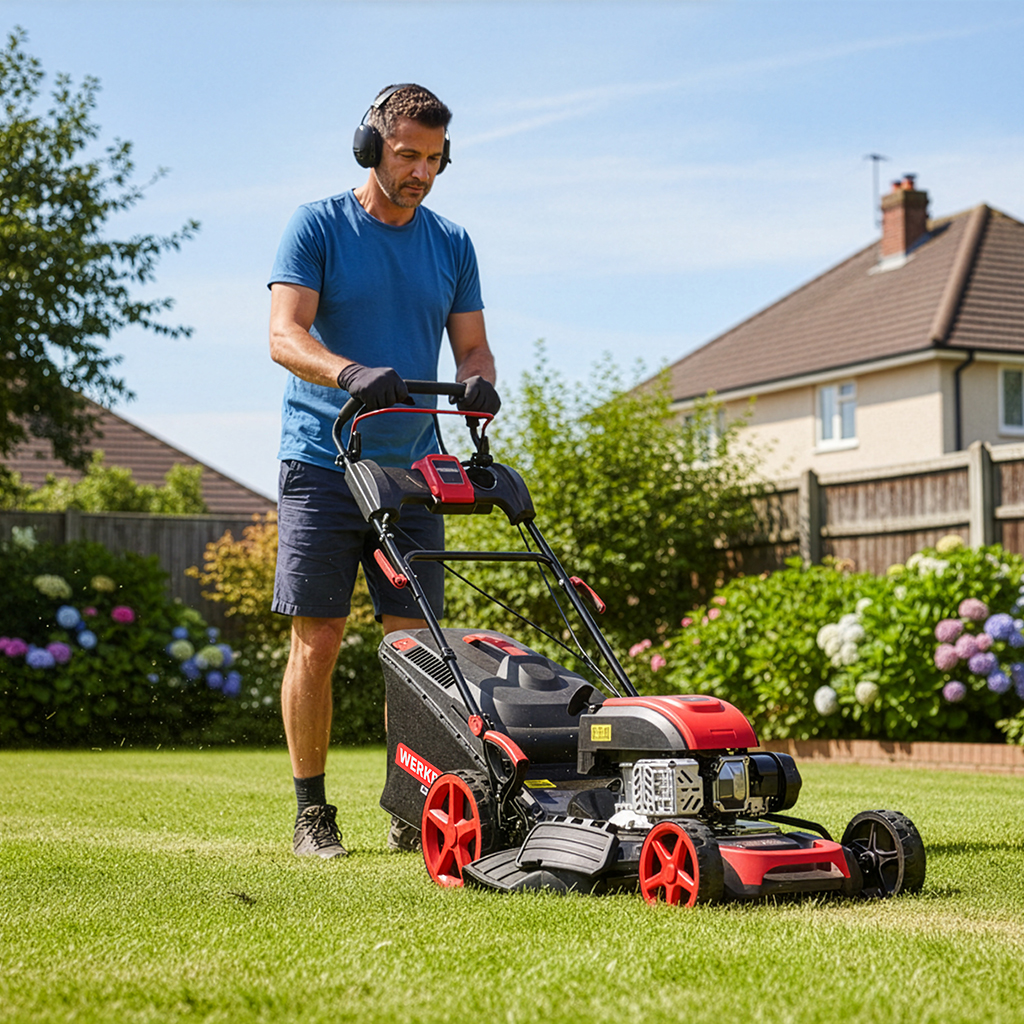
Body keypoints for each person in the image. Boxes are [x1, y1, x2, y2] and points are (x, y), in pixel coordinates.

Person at [267, 84, 500, 859]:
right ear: (370, 146)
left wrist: (476, 383)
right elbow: (284, 334)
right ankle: (312, 812)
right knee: (320, 638)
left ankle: (412, 802)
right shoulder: (318, 226)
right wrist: (348, 373)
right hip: (323, 460)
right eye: (407, 156)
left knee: (416, 649)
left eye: (434, 160)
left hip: (411, 473)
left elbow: (472, 347)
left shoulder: (451, 243)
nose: (421, 173)